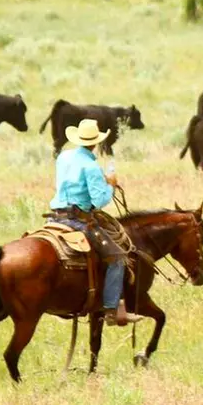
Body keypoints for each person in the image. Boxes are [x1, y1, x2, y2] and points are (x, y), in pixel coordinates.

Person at [49, 118, 139, 326]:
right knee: (117, 257)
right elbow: (99, 200)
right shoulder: (91, 166)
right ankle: (110, 309)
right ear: (96, 142)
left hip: (56, 216)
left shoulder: (64, 156)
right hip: (77, 220)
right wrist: (112, 185)